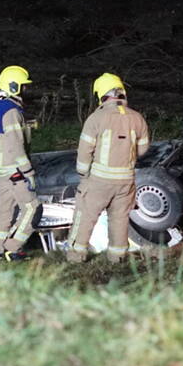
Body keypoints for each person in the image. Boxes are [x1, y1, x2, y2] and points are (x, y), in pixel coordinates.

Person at [66, 73, 150, 263]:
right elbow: (143, 149)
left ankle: (76, 256)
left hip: (99, 181)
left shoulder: (96, 118)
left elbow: (85, 150)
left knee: (85, 216)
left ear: (102, 94)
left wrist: (83, 172)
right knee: (120, 219)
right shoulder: (137, 118)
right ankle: (118, 257)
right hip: (126, 181)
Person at [0, 65, 39, 261]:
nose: (26, 90)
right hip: (15, 171)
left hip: (3, 170)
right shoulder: (11, 112)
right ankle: (12, 247)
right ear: (15, 86)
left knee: (5, 210)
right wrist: (27, 171)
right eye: (23, 86)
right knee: (33, 209)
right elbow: (15, 145)